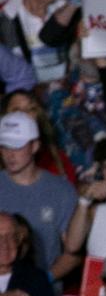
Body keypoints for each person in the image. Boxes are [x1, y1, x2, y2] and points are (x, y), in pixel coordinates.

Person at [0, 111, 76, 279]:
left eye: (17, 146)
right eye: (5, 146)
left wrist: (43, 281)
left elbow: (73, 253)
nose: (9, 154)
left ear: (35, 146)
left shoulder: (61, 190)